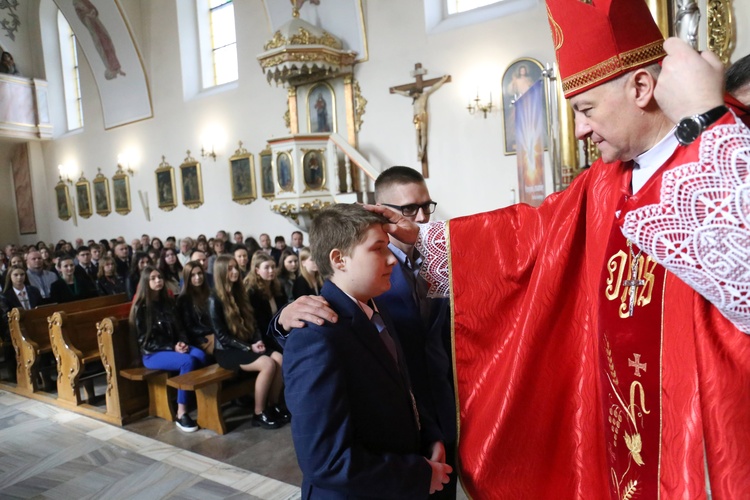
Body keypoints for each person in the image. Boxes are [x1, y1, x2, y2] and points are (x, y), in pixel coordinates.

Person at [365, 2, 750, 496]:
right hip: (620, 430)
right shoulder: (605, 182)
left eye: (586, 110)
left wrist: (707, 117)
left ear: (640, 87)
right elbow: (526, 238)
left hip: (706, 442)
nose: (581, 131)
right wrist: (426, 238)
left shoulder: (724, 151)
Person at [272, 166, 458, 498]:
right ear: (339, 260)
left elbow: (404, 385)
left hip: (415, 447)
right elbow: (326, 460)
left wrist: (429, 435)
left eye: (388, 247)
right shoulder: (317, 331)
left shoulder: (375, 304)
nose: (390, 259)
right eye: (378, 249)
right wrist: (417, 475)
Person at [209, 255, 285, 429]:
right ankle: (259, 413)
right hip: (227, 351)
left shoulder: (240, 293)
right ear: (221, 272)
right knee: (267, 364)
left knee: (279, 359)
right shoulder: (214, 299)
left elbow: (253, 322)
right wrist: (248, 346)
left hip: (247, 346)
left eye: (235, 267)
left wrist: (257, 340)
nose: (235, 271)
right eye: (230, 269)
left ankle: (273, 406)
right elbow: (222, 336)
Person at [130, 266, 205, 432]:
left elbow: (181, 329)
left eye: (160, 277)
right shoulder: (141, 308)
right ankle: (182, 412)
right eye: (153, 278)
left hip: (173, 348)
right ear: (145, 282)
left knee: (200, 355)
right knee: (188, 361)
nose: (158, 281)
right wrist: (172, 347)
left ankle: (195, 398)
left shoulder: (168, 303)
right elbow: (145, 341)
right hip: (153, 353)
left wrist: (182, 342)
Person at [391, 74, 449, 162]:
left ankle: (422, 151)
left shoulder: (424, 95)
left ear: (417, 92)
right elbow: (404, 94)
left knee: (423, 134)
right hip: (416, 116)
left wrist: (443, 80)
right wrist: (395, 90)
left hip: (422, 115)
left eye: (414, 94)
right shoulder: (413, 97)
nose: (414, 96)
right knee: (417, 134)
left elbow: (434, 87)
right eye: (413, 95)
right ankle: (418, 151)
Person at [244, 253, 287, 352]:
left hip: (278, 330)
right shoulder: (252, 292)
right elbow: (258, 323)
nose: (271, 271)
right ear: (257, 271)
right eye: (266, 268)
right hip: (264, 336)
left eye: (273, 267)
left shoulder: (278, 286)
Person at [176, 261, 216, 356]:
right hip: (199, 338)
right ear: (187, 278)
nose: (197, 277)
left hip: (214, 334)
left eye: (199, 273)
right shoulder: (184, 299)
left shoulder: (211, 293)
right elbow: (189, 327)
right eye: (193, 275)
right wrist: (212, 331)